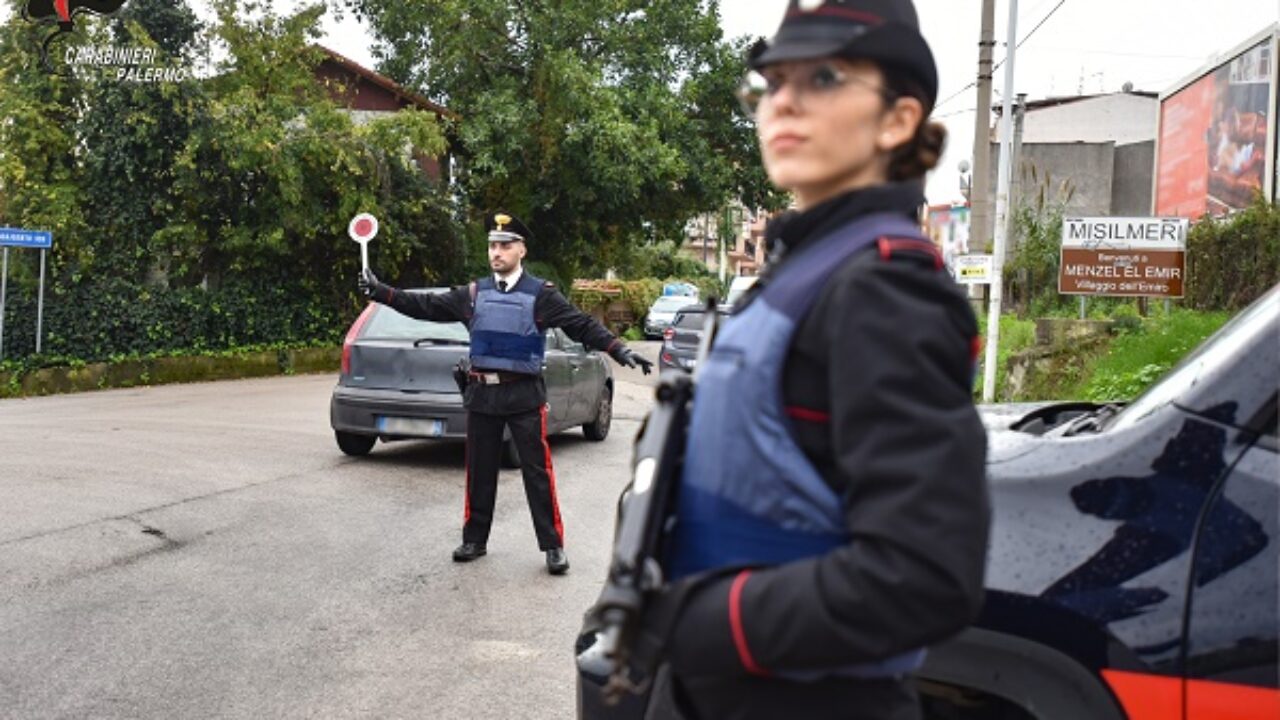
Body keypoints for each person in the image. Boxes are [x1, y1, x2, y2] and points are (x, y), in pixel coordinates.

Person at [641, 2, 990, 718]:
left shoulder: (885, 289)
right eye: (772, 82)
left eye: (824, 78)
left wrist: (700, 621)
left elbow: (923, 575)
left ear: (896, 120)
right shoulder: (808, 264)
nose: (784, 102)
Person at [358, 212, 652, 575]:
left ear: (521, 251)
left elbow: (580, 324)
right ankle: (474, 540)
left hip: (524, 396)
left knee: (537, 473)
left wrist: (619, 350)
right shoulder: (473, 293)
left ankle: (553, 547)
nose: (496, 252)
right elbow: (426, 307)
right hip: (482, 395)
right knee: (479, 471)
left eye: (504, 246)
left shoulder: (541, 295)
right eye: (492, 246)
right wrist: (382, 292)